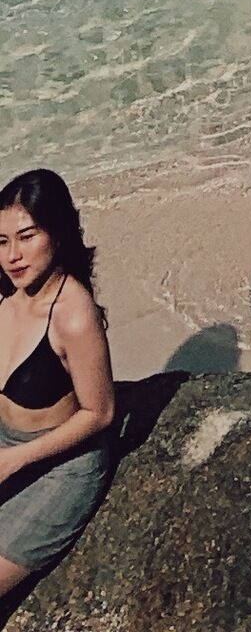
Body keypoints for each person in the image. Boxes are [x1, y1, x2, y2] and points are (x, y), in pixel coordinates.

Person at [0, 172, 115, 610]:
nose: (13, 255)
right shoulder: (6, 295)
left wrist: (13, 460)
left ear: (57, 232)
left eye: (26, 237)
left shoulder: (73, 315)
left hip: (61, 465)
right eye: (2, 241)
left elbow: (100, 413)